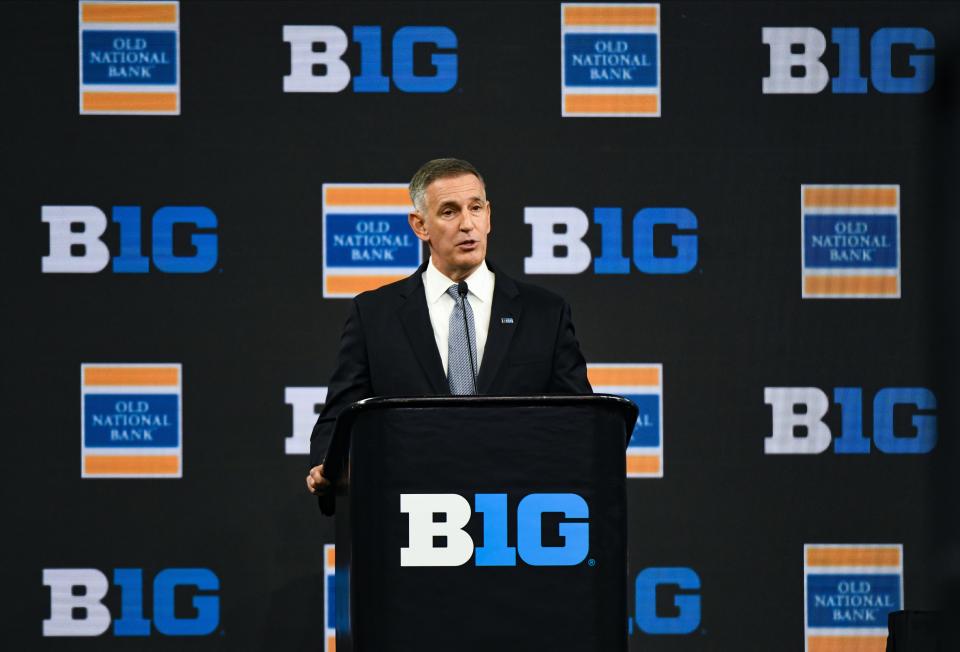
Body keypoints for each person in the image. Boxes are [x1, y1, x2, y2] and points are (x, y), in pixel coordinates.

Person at [306, 158, 591, 497]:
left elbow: (581, 422)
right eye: (449, 212)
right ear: (420, 225)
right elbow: (338, 418)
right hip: (409, 512)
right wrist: (331, 464)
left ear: (489, 216)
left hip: (516, 512)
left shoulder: (545, 313)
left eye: (475, 208)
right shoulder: (373, 314)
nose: (467, 224)